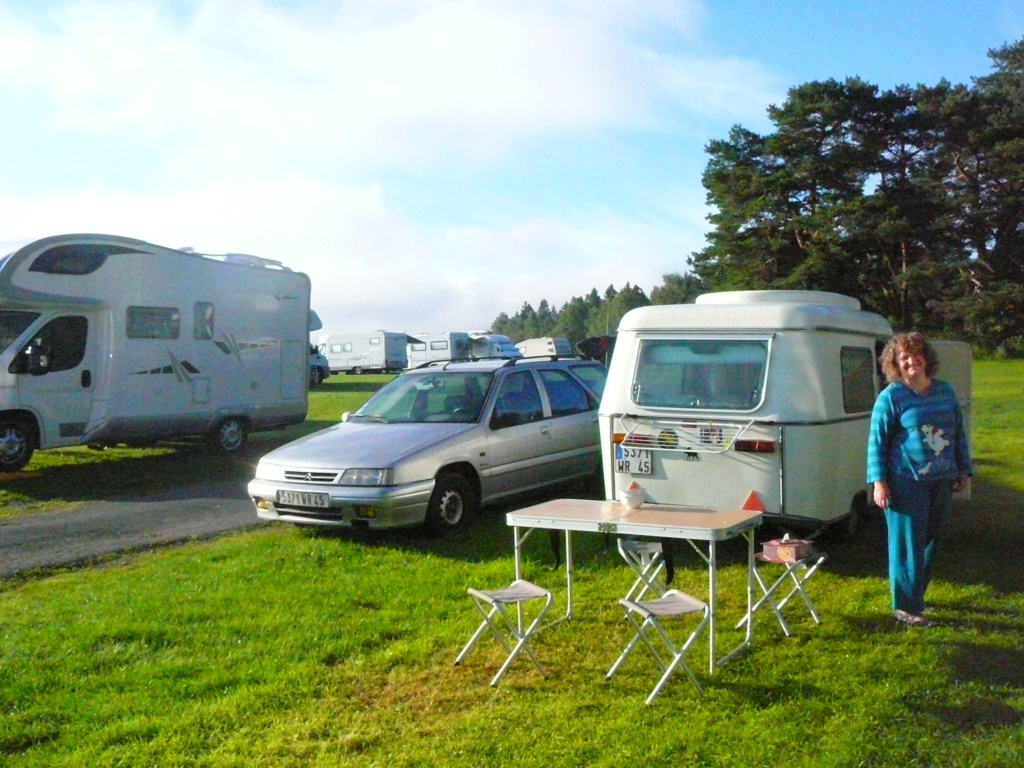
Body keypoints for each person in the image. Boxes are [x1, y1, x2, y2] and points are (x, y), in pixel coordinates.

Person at [867, 332, 971, 628]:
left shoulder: (945, 391)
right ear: (896, 365)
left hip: (941, 479)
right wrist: (879, 482)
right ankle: (906, 607)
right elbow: (877, 442)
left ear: (926, 357)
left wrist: (963, 468)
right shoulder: (891, 396)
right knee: (906, 544)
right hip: (904, 481)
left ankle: (916, 594)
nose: (911, 361)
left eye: (916, 354)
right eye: (904, 358)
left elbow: (957, 432)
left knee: (929, 542)